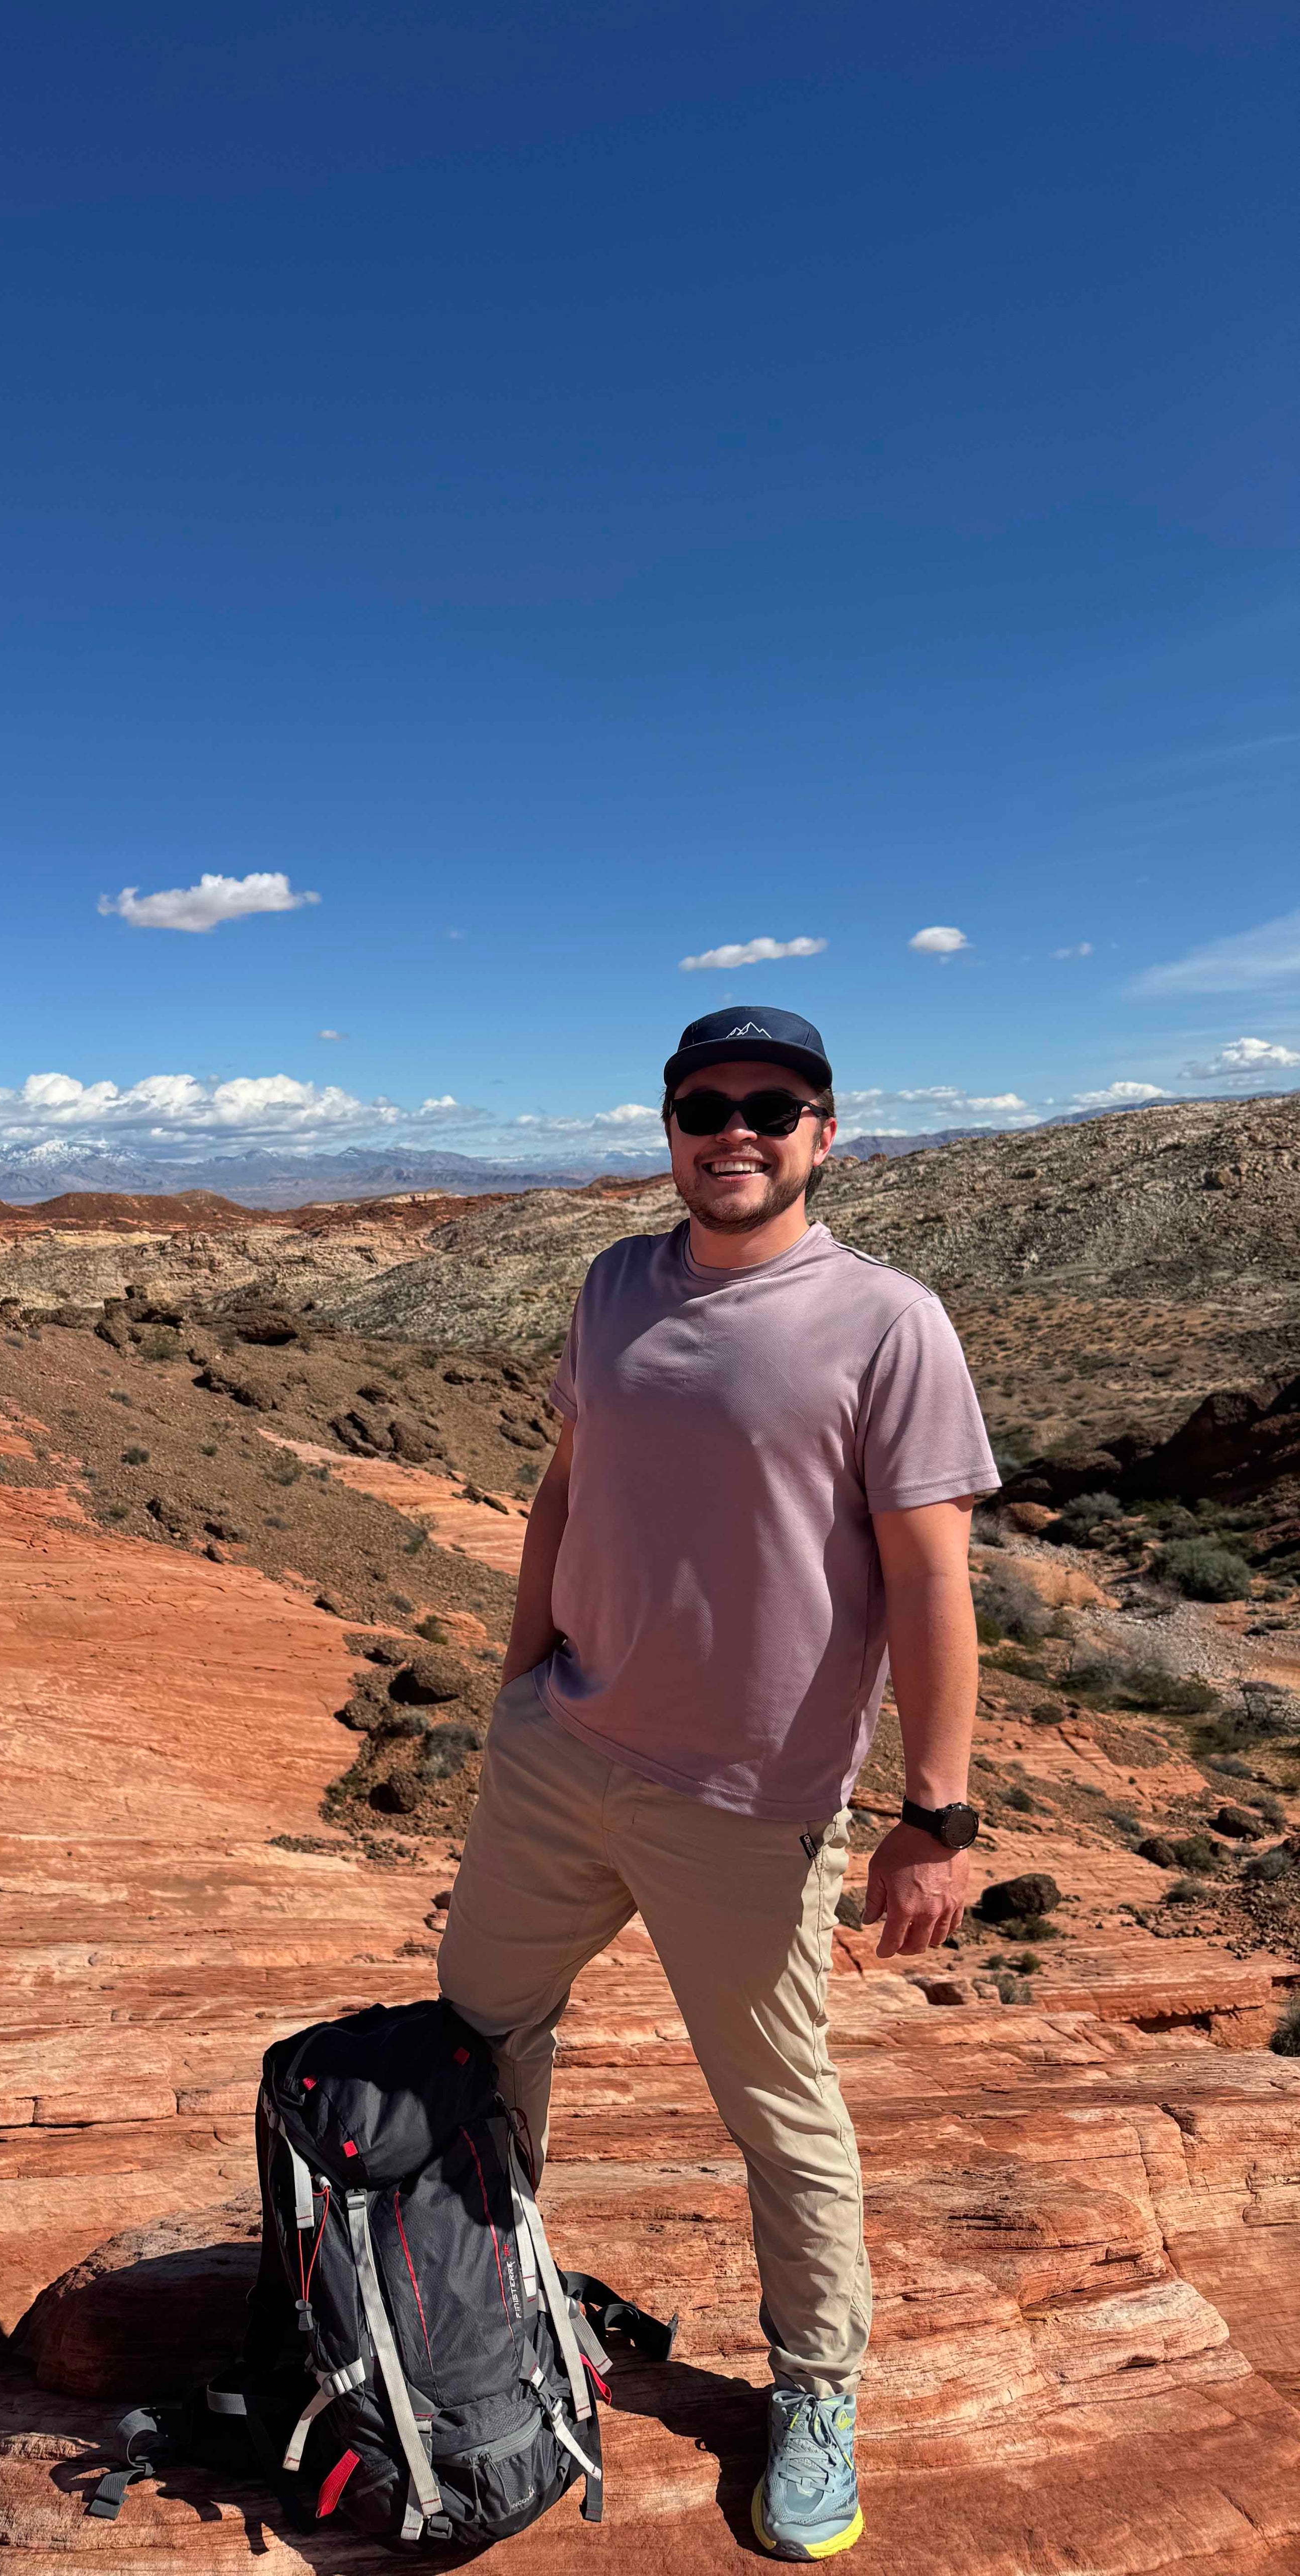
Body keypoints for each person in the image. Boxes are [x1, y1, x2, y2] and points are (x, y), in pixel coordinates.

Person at [438, 1004, 996, 2562]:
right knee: (478, 2038)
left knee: (779, 2114)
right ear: (669, 1127)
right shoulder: (614, 1284)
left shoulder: (891, 1323)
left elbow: (934, 1588)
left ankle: (818, 2394)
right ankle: (482, 2299)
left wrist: (936, 1814)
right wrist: (515, 1692)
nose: (733, 1130)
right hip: (561, 1755)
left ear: (826, 1132)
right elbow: (565, 1490)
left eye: (771, 1105)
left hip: (749, 1804)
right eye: (705, 1105)